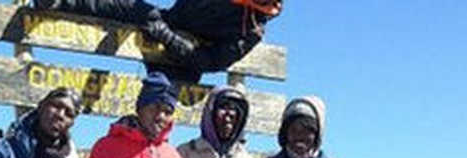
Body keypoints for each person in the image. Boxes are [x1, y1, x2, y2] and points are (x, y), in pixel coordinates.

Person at [32, 0, 283, 82]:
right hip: (166, 22)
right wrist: (162, 27)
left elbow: (211, 61)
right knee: (131, 7)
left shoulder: (253, 28)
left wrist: (166, 37)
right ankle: (58, 2)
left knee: (160, 95)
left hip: (183, 65)